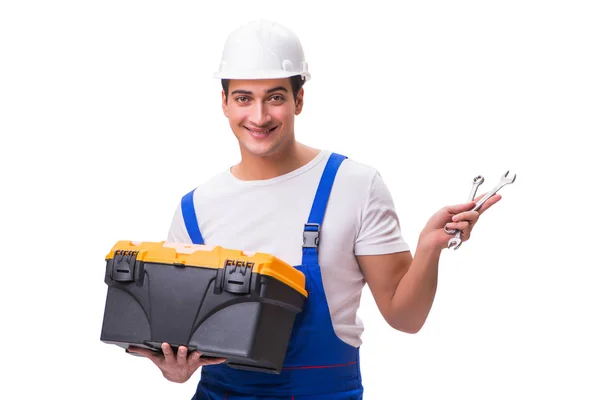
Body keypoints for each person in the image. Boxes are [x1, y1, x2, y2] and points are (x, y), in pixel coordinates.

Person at [127, 20, 501, 399]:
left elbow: (406, 318)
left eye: (274, 97)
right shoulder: (196, 207)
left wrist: (428, 247)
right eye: (243, 98)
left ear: (298, 99)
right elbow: (181, 346)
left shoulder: (354, 186)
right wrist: (175, 370)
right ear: (224, 103)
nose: (258, 117)